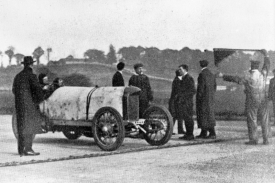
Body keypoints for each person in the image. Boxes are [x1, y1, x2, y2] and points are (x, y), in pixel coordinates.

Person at [218, 51, 270, 145]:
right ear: (258, 66)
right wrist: (266, 55)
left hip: (252, 99)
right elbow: (266, 66)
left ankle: (254, 140)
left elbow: (236, 79)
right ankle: (266, 139)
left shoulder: (248, 75)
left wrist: (223, 76)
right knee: (265, 119)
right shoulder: (263, 74)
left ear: (251, 66)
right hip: (263, 99)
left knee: (252, 119)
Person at [12, 56, 44, 156]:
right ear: (31, 64)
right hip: (30, 106)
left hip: (19, 106)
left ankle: (21, 150)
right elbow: (37, 91)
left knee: (21, 127)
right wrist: (39, 100)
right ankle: (28, 149)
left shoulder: (17, 76)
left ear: (24, 64)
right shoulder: (32, 76)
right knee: (30, 127)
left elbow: (14, 90)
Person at [196, 60, 217, 139]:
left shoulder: (202, 74)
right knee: (208, 115)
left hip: (203, 98)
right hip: (210, 98)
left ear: (200, 65)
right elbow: (215, 86)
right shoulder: (211, 74)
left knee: (203, 115)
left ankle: (212, 133)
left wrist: (199, 97)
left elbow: (201, 88)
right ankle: (203, 132)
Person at [177, 64, 196, 140]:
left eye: (180, 69)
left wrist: (183, 97)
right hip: (184, 102)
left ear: (185, 70)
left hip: (187, 102)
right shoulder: (184, 78)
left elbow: (193, 90)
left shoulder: (189, 78)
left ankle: (190, 135)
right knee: (186, 118)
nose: (179, 71)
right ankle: (188, 134)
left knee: (188, 118)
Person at [169, 69, 186, 135]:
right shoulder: (178, 81)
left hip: (175, 100)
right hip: (176, 101)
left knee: (176, 116)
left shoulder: (176, 80)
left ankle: (174, 130)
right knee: (176, 116)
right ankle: (178, 130)